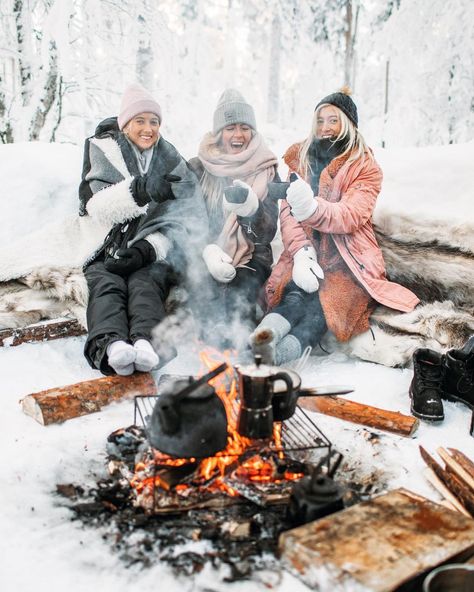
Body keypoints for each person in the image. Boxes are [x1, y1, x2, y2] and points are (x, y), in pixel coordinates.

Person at [251, 88, 419, 364]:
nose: (325, 127)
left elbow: (352, 214)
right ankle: (260, 341)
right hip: (307, 251)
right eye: (320, 120)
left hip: (347, 259)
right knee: (294, 294)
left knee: (324, 307)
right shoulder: (301, 159)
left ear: (348, 124)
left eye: (333, 120)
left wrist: (312, 208)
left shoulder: (365, 166)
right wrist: (303, 253)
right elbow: (289, 213)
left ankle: (276, 357)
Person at [80, 83, 206, 376]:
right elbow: (94, 206)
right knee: (105, 281)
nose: (148, 128)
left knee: (144, 282)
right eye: (140, 121)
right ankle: (112, 346)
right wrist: (139, 190)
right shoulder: (102, 150)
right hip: (106, 245)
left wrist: (149, 248)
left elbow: (188, 216)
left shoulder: (171, 159)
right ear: (125, 125)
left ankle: (148, 344)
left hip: (152, 250)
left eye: (154, 122)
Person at [188, 89, 279, 347]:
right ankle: (215, 356)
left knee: (242, 303)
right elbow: (188, 220)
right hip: (205, 255)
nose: (238, 135)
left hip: (252, 257)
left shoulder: (267, 168)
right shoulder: (198, 167)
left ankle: (239, 357)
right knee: (207, 305)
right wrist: (207, 250)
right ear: (219, 134)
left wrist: (251, 211)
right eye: (230, 128)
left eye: (244, 127)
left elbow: (268, 231)